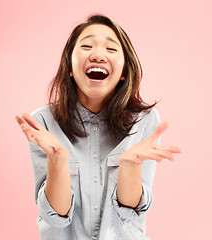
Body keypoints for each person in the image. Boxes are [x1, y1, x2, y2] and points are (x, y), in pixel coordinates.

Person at [15, 14, 181, 240]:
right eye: (86, 46)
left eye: (111, 49)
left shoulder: (145, 120)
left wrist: (129, 166)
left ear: (123, 72)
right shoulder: (43, 122)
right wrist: (58, 160)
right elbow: (55, 218)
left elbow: (129, 214)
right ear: (70, 68)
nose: (98, 55)